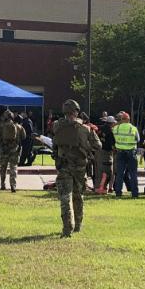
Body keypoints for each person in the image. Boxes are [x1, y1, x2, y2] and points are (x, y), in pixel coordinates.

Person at [52, 99, 101, 237]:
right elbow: (98, 145)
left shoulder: (57, 126)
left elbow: (56, 139)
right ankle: (78, 225)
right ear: (77, 112)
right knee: (78, 195)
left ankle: (67, 228)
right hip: (80, 167)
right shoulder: (86, 129)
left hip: (64, 165)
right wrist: (85, 147)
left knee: (65, 197)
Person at [0, 110, 24, 192]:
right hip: (14, 149)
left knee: (3, 168)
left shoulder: (0, 126)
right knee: (13, 167)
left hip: (3, 149)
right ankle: (13, 185)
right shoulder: (18, 127)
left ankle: (2, 184)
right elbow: (24, 136)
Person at [112, 111, 140, 198]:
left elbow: (114, 138)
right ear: (128, 119)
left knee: (119, 173)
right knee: (133, 173)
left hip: (120, 152)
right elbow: (138, 139)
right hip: (131, 152)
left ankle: (118, 193)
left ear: (121, 119)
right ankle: (134, 193)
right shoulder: (133, 128)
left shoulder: (116, 128)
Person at [95, 115, 117, 193]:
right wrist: (116, 151)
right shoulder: (110, 132)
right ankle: (103, 188)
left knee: (98, 171)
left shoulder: (99, 128)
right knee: (107, 171)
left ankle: (97, 187)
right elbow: (113, 144)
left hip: (98, 151)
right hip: (107, 153)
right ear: (112, 123)